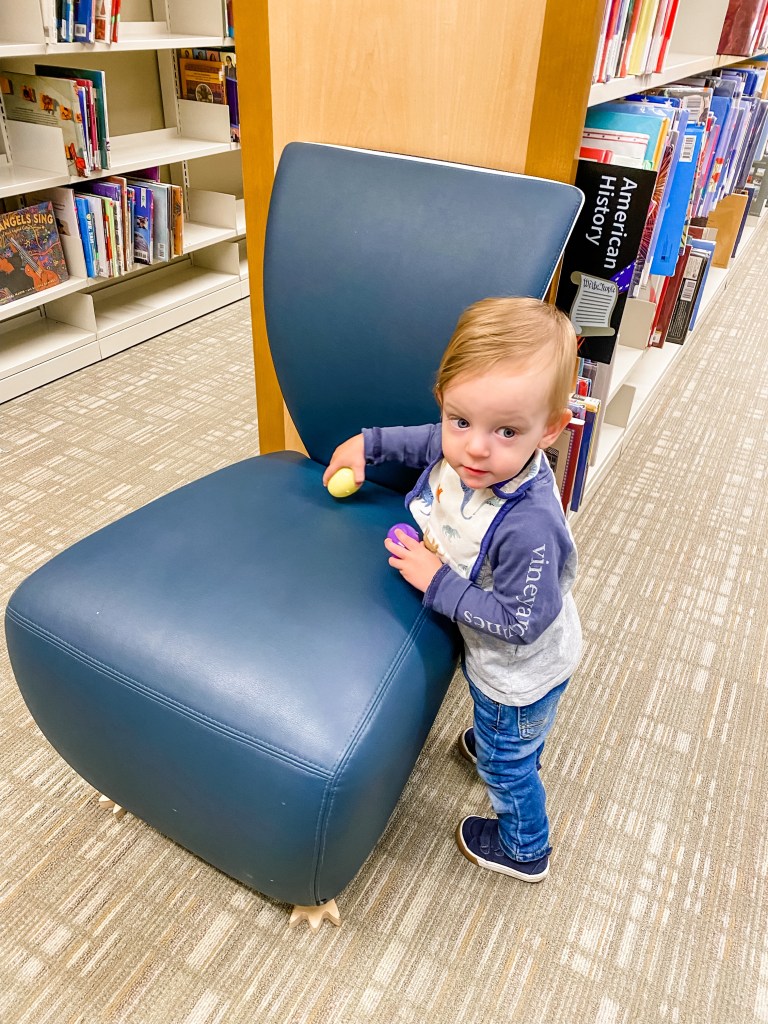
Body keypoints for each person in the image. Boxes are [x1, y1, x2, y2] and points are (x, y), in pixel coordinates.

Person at [323, 296, 582, 882]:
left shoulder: (529, 525)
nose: (475, 448)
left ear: (549, 429)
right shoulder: (468, 449)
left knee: (507, 766)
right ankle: (511, 741)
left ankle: (525, 847)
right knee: (511, 739)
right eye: (460, 421)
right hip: (516, 661)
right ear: (444, 403)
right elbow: (426, 443)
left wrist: (435, 580)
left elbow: (519, 624)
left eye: (507, 430)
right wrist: (367, 445)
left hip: (516, 671)